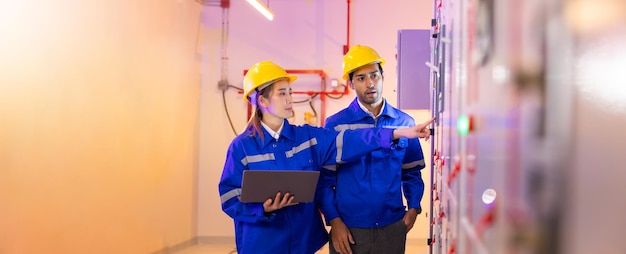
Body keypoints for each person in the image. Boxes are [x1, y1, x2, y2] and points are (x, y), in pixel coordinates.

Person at [218, 60, 434, 254]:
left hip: (303, 244)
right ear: (263, 101)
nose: (290, 98)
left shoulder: (308, 137)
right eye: (282, 93)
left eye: (290, 92)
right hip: (263, 244)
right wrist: (263, 208)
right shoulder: (241, 148)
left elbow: (352, 140)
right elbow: (229, 198)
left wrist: (395, 133)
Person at [318, 45, 428, 254]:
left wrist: (413, 208)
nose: (370, 83)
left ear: (383, 77)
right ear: (351, 83)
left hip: (392, 226)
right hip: (349, 229)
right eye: (361, 78)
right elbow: (324, 180)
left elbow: (411, 173)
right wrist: (334, 221)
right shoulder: (336, 125)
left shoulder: (405, 123)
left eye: (374, 75)